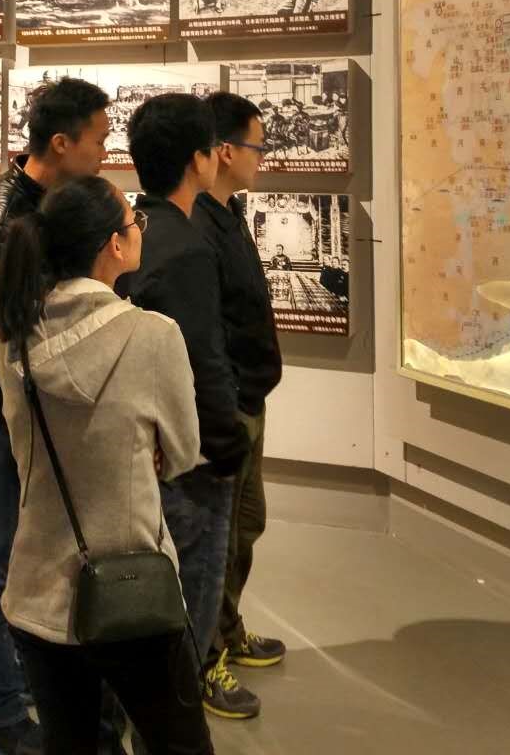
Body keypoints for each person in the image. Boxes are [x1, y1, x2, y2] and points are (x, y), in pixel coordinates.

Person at [0, 175, 212, 755]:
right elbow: (181, 453)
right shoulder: (153, 336)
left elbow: (20, 443)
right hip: (133, 588)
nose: (140, 228)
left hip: (37, 591)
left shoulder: (11, 333)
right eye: (135, 221)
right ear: (115, 245)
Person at [0, 77, 111, 755]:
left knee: (24, 552)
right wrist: (28, 427)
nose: (105, 152)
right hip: (4, 419)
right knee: (7, 558)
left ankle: (20, 689)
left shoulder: (39, 207)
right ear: (62, 143)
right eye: (98, 140)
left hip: (23, 415)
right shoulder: (3, 224)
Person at [117, 95, 253, 726]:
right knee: (189, 599)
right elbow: (204, 361)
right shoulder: (189, 247)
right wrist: (227, 445)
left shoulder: (133, 233)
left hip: (141, 445)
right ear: (200, 160)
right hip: (190, 455)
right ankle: (174, 717)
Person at [193, 94, 286, 707]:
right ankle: (205, 659)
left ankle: (226, 631)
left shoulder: (227, 214)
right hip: (230, 408)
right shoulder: (200, 226)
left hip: (248, 401)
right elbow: (206, 332)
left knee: (244, 526)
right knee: (216, 540)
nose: (262, 157)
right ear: (225, 151)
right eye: (256, 145)